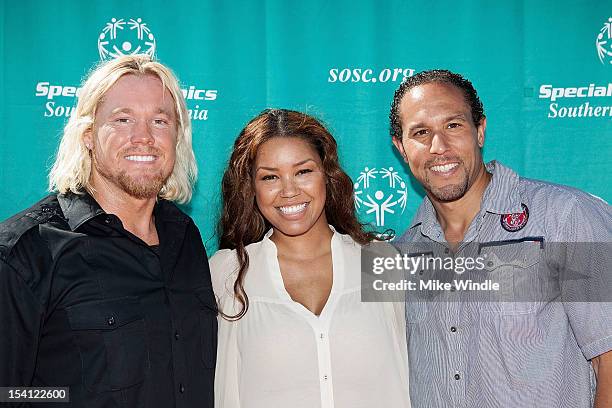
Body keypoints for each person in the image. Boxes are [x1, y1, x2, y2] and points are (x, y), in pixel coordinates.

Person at [0, 55, 216, 407]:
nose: (143, 137)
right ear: (88, 135)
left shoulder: (184, 236)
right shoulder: (26, 252)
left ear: (177, 137)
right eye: (122, 119)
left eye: (160, 121)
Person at [389, 69, 612, 407]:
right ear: (401, 149)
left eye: (453, 125)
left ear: (480, 130)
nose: (439, 147)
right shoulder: (398, 254)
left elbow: (607, 357)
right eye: (421, 132)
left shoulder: (566, 216)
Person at [210, 109, 411, 408]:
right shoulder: (227, 272)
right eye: (270, 177)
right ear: (251, 187)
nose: (289, 190)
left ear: (327, 175)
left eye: (303, 171)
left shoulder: (379, 261)